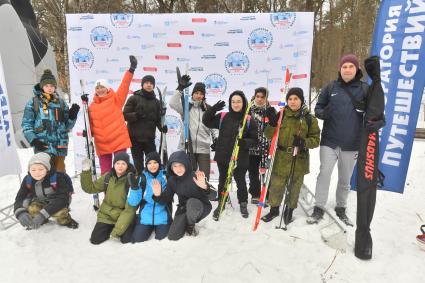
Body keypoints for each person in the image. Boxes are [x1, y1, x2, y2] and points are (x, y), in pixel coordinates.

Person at [308, 54, 368, 225]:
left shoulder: (365, 89)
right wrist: (323, 113)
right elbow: (318, 109)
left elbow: (374, 112)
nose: (347, 69)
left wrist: (373, 119)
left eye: (351, 66)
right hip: (330, 141)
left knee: (345, 178)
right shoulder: (330, 87)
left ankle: (341, 206)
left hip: (352, 144)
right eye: (344, 67)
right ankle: (319, 207)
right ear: (340, 69)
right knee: (324, 174)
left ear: (356, 69)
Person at [261, 88, 320, 224]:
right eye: (290, 99)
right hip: (280, 158)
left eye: (296, 99)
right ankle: (274, 210)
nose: (293, 102)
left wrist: (303, 142)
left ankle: (289, 211)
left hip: (298, 159)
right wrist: (272, 123)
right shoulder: (281, 115)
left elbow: (316, 140)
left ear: (301, 100)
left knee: (294, 188)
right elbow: (268, 135)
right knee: (276, 186)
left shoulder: (309, 119)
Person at [203, 90, 258, 219]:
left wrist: (244, 142)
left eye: (238, 101)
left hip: (241, 156)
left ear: (243, 103)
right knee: (223, 179)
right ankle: (221, 201)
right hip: (223, 155)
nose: (236, 104)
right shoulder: (223, 116)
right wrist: (212, 110)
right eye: (233, 101)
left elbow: (255, 140)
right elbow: (207, 121)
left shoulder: (248, 120)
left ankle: (243, 203)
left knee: (240, 180)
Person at [81, 55, 137, 175]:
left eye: (102, 87)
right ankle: (107, 193)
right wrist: (88, 132)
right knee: (105, 174)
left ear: (107, 89)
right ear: (95, 90)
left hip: (118, 141)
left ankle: (122, 192)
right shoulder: (91, 107)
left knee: (121, 170)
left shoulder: (116, 99)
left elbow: (124, 86)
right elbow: (90, 124)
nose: (100, 90)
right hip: (102, 144)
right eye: (97, 88)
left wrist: (131, 70)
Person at [21, 69, 80, 172]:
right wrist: (34, 140)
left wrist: (72, 116)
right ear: (42, 86)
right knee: (45, 174)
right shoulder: (34, 102)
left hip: (60, 146)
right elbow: (26, 124)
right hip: (42, 145)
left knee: (60, 174)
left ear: (55, 87)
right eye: (47, 86)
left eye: (52, 86)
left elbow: (67, 126)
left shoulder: (61, 103)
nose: (49, 88)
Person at [152, 151, 212, 241]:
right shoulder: (172, 180)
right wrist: (157, 195)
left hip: (201, 207)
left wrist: (204, 186)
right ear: (171, 168)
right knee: (173, 236)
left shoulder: (195, 176)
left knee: (192, 202)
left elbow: (214, 195)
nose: (178, 169)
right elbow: (166, 198)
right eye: (175, 166)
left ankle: (190, 226)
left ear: (186, 164)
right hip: (184, 208)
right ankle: (187, 221)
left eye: (180, 165)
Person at [80, 152, 136, 244]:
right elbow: (90, 188)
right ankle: (111, 227)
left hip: (123, 214)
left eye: (123, 164)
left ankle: (132, 221)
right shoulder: (108, 177)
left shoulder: (131, 180)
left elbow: (129, 209)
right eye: (117, 163)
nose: (120, 166)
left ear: (128, 165)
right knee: (95, 240)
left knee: (126, 240)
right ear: (114, 164)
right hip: (106, 215)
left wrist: (116, 231)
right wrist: (86, 171)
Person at [169, 77, 217, 183]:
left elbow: (214, 128)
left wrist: (216, 139)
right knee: (188, 176)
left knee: (204, 178)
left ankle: (203, 196)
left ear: (204, 95)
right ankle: (188, 197)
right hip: (187, 147)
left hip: (203, 148)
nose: (199, 95)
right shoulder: (186, 107)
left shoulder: (208, 109)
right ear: (192, 94)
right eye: (196, 93)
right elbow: (172, 103)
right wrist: (180, 88)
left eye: (201, 93)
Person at [14, 152, 78, 230]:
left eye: (41, 169)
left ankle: (67, 221)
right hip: (40, 201)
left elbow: (62, 198)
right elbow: (20, 197)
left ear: (47, 168)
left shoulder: (57, 178)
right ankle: (40, 221)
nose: (37, 172)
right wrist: (20, 212)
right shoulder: (27, 179)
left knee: (61, 214)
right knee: (32, 210)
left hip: (56, 203)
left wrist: (42, 215)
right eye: (33, 170)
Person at [123, 74, 167, 174]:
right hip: (135, 139)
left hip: (149, 139)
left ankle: (151, 183)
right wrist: (136, 115)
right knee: (138, 164)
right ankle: (140, 182)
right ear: (142, 84)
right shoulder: (133, 98)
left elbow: (157, 119)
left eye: (151, 83)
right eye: (146, 83)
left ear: (154, 86)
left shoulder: (156, 102)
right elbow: (124, 115)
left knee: (152, 163)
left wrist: (161, 128)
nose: (149, 85)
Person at [127, 152, 170, 242]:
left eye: (155, 162)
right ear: (146, 165)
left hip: (162, 215)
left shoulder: (165, 177)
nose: (152, 165)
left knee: (162, 239)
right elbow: (133, 202)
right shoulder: (142, 178)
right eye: (149, 163)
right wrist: (134, 189)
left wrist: (158, 195)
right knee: (137, 239)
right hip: (145, 215)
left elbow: (168, 198)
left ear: (159, 163)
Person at [247, 87, 276, 204]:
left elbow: (275, 128)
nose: (259, 99)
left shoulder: (270, 110)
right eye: (257, 96)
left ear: (266, 98)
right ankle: (255, 194)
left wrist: (272, 117)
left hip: (266, 149)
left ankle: (267, 194)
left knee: (267, 172)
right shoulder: (249, 109)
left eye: (262, 97)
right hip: (252, 147)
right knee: (253, 172)